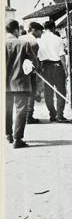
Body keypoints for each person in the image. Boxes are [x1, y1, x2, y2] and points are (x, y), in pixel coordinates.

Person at [5, 19, 34, 148]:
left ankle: (8, 135)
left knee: (6, 109)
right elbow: (33, 64)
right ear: (16, 30)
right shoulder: (23, 44)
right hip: (20, 83)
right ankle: (17, 139)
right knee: (20, 110)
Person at [38, 20, 68, 122]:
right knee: (61, 91)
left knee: (48, 93)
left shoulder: (40, 40)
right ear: (54, 28)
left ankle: (52, 114)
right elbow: (62, 55)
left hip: (45, 67)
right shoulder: (58, 39)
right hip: (57, 67)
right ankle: (60, 115)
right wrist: (65, 69)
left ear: (44, 28)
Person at [19, 21, 44, 124]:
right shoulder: (34, 42)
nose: (41, 33)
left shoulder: (20, 38)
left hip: (18, 72)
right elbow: (34, 60)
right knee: (31, 94)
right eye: (40, 31)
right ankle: (28, 117)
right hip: (30, 72)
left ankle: (21, 116)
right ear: (34, 30)